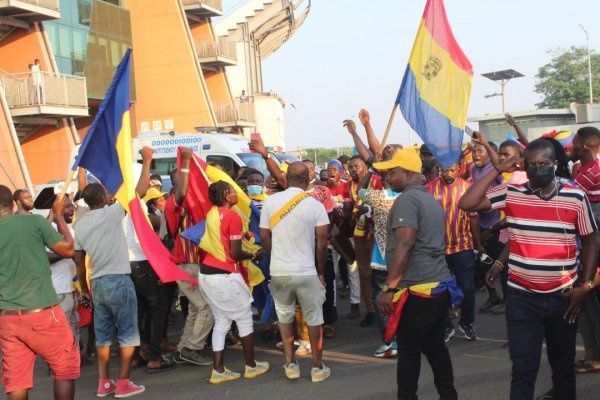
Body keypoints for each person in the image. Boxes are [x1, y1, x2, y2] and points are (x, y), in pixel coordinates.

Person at [459, 138, 597, 400]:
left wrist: (586, 285)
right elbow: (467, 203)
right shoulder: (512, 192)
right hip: (522, 298)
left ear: (555, 165)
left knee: (563, 368)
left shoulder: (575, 196)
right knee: (523, 369)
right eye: (531, 164)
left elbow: (590, 240)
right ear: (523, 165)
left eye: (544, 163)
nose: (538, 168)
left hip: (564, 298)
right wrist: (499, 169)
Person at [375, 148, 458, 400]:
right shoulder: (428, 198)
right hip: (436, 287)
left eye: (392, 172)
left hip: (416, 290)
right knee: (435, 348)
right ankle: (448, 395)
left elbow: (406, 243)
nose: (387, 178)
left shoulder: (408, 200)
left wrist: (390, 288)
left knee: (409, 354)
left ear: (410, 174)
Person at [0, 185, 79, 400]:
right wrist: (60, 217)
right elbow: (68, 249)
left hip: (8, 318)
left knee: (17, 381)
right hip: (42, 312)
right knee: (64, 369)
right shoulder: (33, 222)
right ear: (13, 203)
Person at [259, 162, 331, 382]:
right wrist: (321, 272)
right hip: (307, 271)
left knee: (284, 318)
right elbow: (321, 244)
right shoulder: (315, 205)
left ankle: (290, 365)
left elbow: (264, 237)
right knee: (315, 320)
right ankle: (317, 368)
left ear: (287, 178)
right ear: (307, 180)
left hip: (280, 271)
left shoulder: (270, 202)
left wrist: (274, 258)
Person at [73, 183, 145, 398]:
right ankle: (123, 383)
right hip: (119, 280)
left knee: (103, 337)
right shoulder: (111, 213)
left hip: (97, 284)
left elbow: (78, 259)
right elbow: (139, 192)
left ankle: (104, 382)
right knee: (128, 334)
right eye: (106, 194)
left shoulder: (81, 225)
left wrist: (85, 289)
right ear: (102, 199)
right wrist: (148, 160)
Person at [198, 181, 270, 383]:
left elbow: (223, 239)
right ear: (226, 196)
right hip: (225, 276)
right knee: (245, 319)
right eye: (232, 191)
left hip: (206, 274)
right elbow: (236, 252)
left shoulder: (212, 212)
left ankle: (219, 371)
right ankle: (251, 366)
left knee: (221, 322)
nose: (236, 193)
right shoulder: (232, 215)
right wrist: (253, 254)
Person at [165, 148, 214, 366]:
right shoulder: (173, 204)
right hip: (186, 265)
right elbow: (182, 193)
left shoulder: (196, 205)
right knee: (207, 308)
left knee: (196, 308)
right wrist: (185, 163)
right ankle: (193, 348)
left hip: (195, 264)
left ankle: (183, 347)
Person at [427, 163, 481, 342]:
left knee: (468, 288)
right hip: (438, 248)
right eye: (444, 170)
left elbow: (474, 218)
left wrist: (478, 244)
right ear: (439, 169)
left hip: (463, 246)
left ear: (459, 169)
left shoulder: (467, 187)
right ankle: (446, 326)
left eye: (452, 170)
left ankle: (467, 323)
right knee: (440, 290)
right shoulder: (429, 188)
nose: (448, 174)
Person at [348, 154, 383, 326]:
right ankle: (370, 310)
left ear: (365, 166)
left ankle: (383, 308)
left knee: (380, 272)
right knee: (364, 273)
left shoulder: (376, 180)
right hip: (360, 233)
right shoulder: (350, 185)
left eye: (357, 166)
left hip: (377, 233)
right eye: (351, 167)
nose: (353, 170)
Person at [470, 140, 503, 312]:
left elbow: (501, 165)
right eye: (474, 152)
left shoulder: (495, 169)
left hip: (498, 224)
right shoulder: (473, 169)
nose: (476, 155)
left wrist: (488, 146)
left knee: (501, 263)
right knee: (483, 263)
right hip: (482, 223)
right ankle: (493, 295)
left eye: (480, 151)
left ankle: (506, 299)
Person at [47, 196, 80, 348]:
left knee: (74, 327)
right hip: (58, 291)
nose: (72, 208)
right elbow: (44, 257)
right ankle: (59, 368)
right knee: (61, 332)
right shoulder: (48, 230)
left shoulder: (69, 229)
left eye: (72, 205)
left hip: (72, 289)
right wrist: (66, 253)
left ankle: (73, 363)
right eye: (67, 206)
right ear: (56, 209)